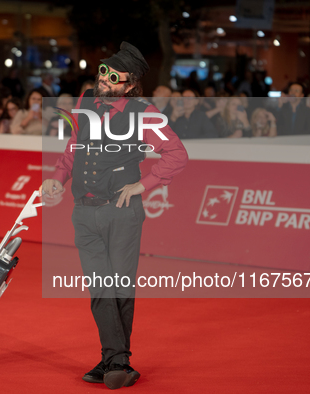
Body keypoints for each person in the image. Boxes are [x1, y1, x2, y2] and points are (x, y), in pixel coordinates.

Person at [41, 41, 188, 390]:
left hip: (122, 212)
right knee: (100, 288)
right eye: (103, 71)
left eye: (113, 75)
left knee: (118, 287)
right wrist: (56, 178)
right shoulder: (85, 101)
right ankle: (117, 360)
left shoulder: (143, 113)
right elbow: (73, 148)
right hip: (84, 213)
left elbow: (177, 155)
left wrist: (144, 184)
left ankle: (114, 359)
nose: (103, 79)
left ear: (131, 83)